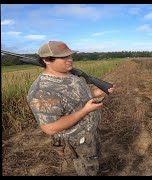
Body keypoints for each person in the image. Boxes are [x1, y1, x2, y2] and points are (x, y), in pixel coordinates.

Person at [27, 41, 114, 176]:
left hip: (89, 134)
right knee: (82, 169)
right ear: (46, 60)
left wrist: (95, 92)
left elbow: (76, 96)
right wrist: (85, 110)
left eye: (70, 55)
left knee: (92, 163)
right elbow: (50, 128)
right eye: (64, 57)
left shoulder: (71, 75)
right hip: (74, 143)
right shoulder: (42, 90)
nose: (70, 59)